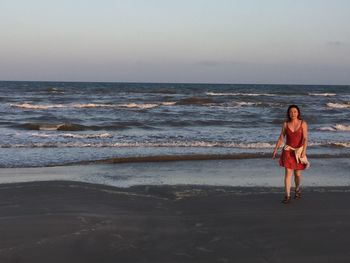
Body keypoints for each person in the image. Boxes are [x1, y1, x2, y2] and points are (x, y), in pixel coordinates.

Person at [272, 105, 308, 204]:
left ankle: (297, 189)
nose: (293, 113)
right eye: (291, 112)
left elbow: (305, 139)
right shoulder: (285, 124)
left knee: (297, 174)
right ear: (288, 113)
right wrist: (275, 150)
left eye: (295, 112)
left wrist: (304, 151)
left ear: (298, 113)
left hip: (299, 151)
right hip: (287, 151)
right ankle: (287, 196)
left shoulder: (303, 123)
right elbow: (281, 138)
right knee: (288, 173)